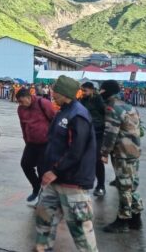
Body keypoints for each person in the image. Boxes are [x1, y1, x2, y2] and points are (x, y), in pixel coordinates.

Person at [35, 75, 98, 252]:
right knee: (44, 218)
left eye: (56, 91)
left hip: (73, 181)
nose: (53, 93)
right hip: (54, 180)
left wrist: (56, 170)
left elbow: (76, 151)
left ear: (65, 93)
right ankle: (43, 248)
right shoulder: (63, 110)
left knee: (80, 229)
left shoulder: (78, 115)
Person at [100, 80, 143, 233]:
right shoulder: (128, 105)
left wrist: (104, 152)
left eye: (101, 91)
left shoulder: (113, 108)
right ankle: (136, 218)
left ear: (106, 91)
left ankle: (123, 220)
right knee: (131, 185)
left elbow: (111, 133)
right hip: (134, 150)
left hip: (122, 152)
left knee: (124, 186)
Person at [16, 87, 56, 206]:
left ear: (29, 97)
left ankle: (42, 199)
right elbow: (23, 125)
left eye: (22, 101)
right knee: (25, 164)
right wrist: (26, 139)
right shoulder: (20, 109)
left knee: (42, 170)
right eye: (19, 102)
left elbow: (55, 119)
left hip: (46, 143)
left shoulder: (43, 103)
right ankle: (36, 187)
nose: (21, 104)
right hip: (31, 143)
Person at [78, 82, 107, 197]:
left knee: (97, 160)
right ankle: (85, 182)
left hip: (98, 134)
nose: (83, 92)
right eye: (82, 90)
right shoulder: (82, 100)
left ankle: (101, 186)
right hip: (86, 133)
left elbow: (105, 115)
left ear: (92, 90)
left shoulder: (98, 100)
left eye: (85, 90)